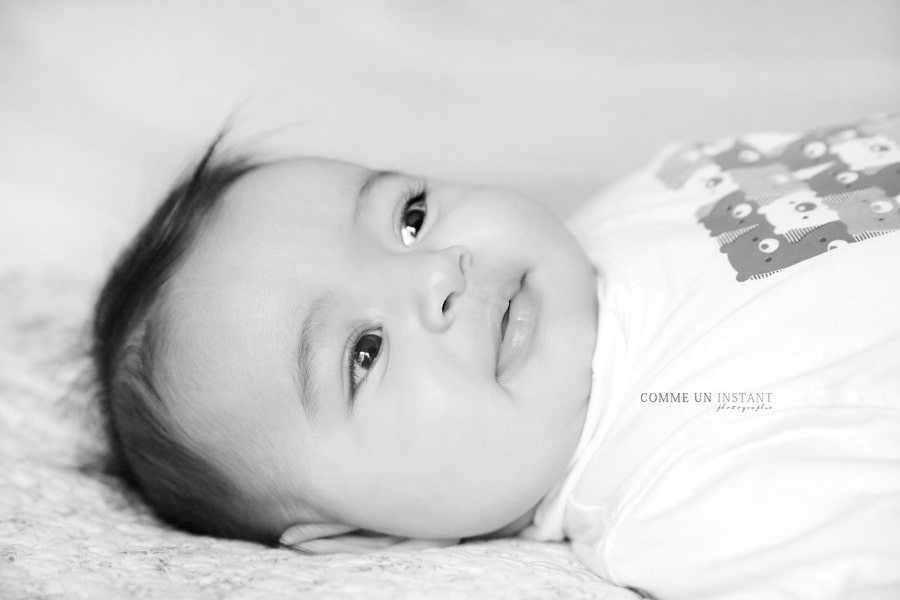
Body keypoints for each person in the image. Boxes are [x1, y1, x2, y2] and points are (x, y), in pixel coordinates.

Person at [92, 115, 900, 598]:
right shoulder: (685, 497)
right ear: (361, 539)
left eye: (409, 217)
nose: (436, 274)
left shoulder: (648, 191)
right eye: (363, 354)